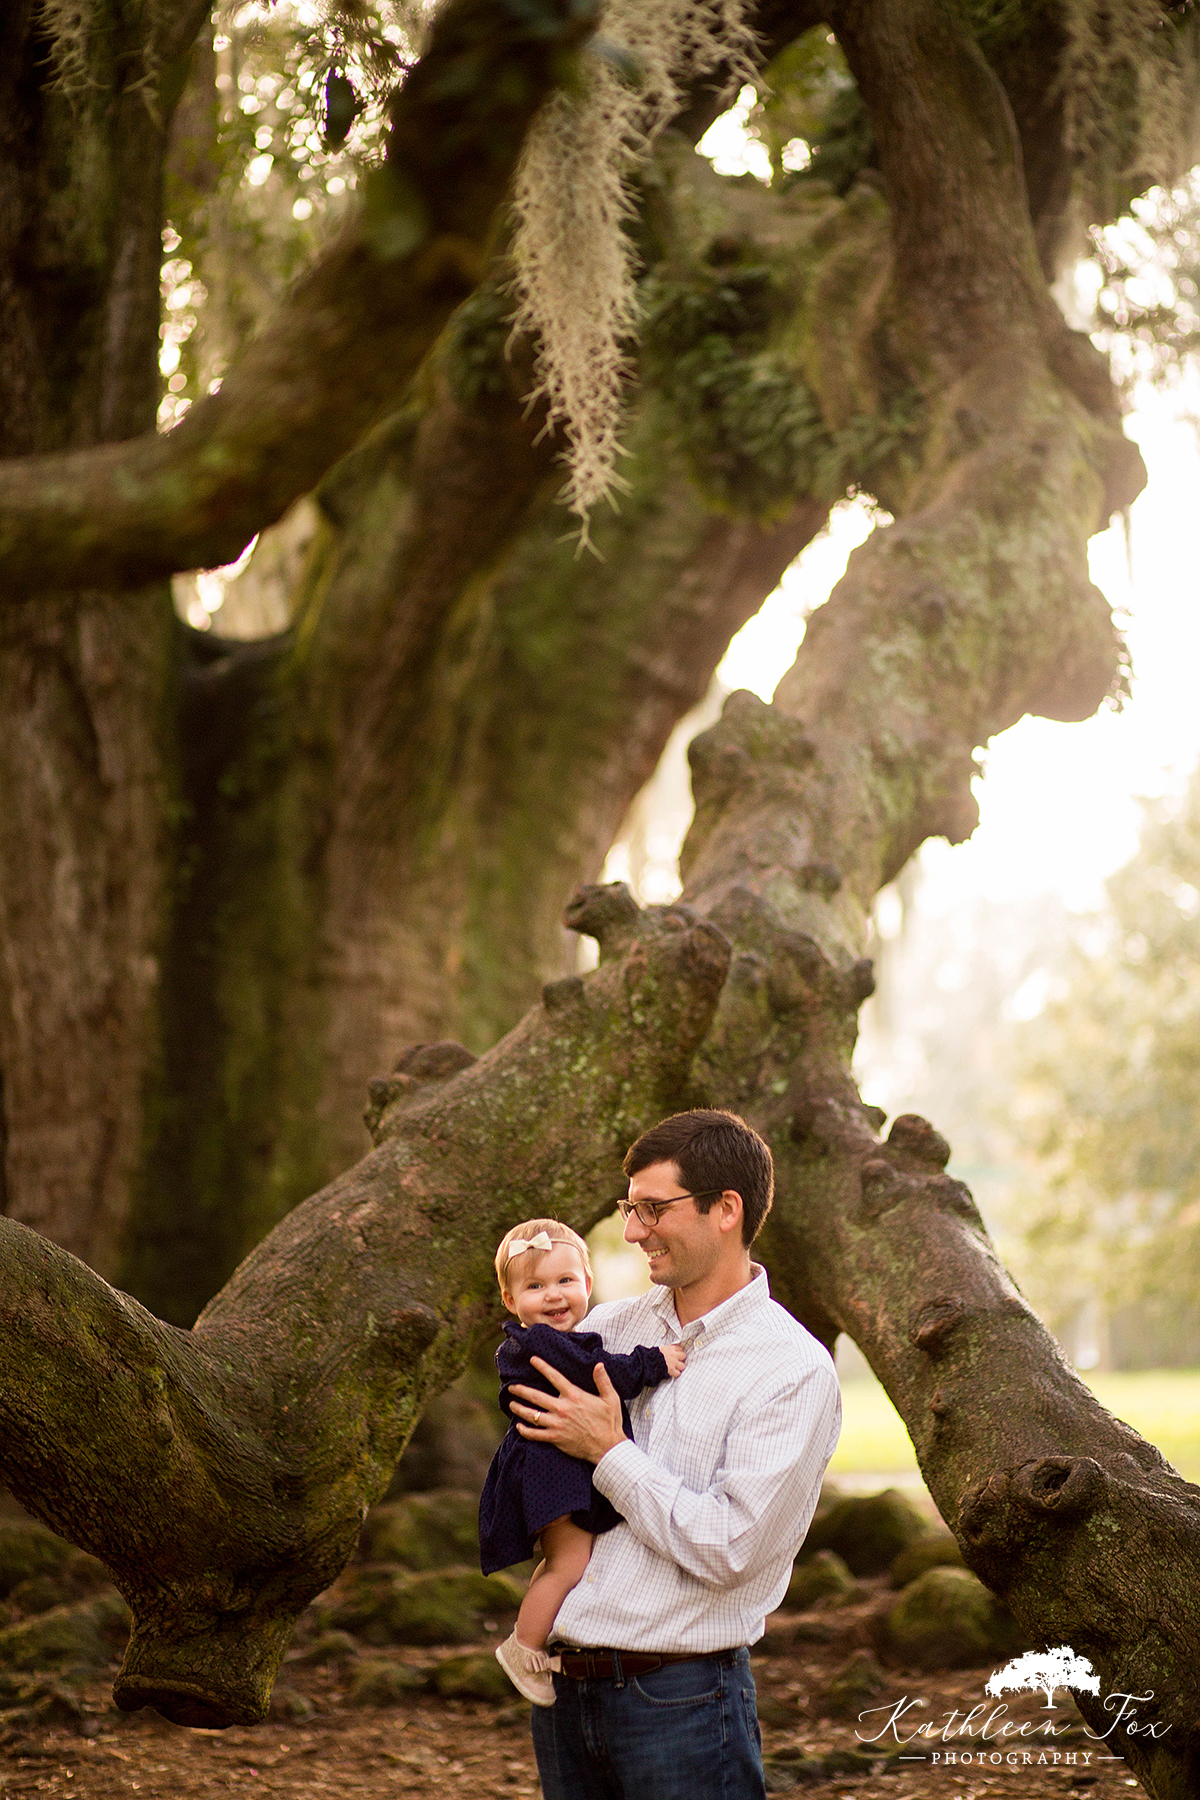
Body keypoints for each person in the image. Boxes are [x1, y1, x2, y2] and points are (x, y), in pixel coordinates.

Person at [506, 1109, 841, 1800]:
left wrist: (609, 1450)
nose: (631, 1230)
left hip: (682, 1701)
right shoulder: (605, 1327)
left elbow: (730, 1548)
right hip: (564, 1695)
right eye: (630, 1208)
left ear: (726, 1209)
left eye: (652, 1208)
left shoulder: (791, 1369)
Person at [480, 1218, 687, 1705]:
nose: (553, 1296)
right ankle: (523, 1647)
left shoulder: (546, 1340)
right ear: (511, 1302)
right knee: (569, 1564)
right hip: (551, 1472)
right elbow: (601, 1374)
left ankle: (537, 1631)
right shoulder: (540, 1344)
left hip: (549, 1468)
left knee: (560, 1560)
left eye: (565, 1281)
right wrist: (654, 1362)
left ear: (587, 1284)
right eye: (535, 1286)